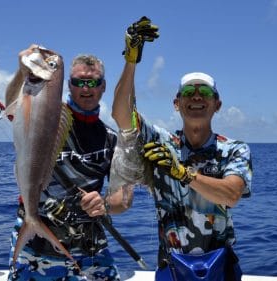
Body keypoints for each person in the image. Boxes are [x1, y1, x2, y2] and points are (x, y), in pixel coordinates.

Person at [110, 17, 253, 281]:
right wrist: (131, 60)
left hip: (221, 267)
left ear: (217, 105)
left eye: (205, 93)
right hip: (171, 267)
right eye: (188, 92)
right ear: (177, 103)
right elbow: (121, 115)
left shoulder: (234, 149)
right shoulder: (161, 141)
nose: (196, 97)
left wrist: (184, 174)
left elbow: (232, 194)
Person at [6, 44, 121, 281]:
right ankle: (31, 221)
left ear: (103, 87)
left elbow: (124, 199)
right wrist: (21, 72)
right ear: (68, 85)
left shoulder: (111, 139)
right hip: (35, 248)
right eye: (79, 82)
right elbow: (12, 108)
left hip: (90, 249)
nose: (86, 88)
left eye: (93, 82)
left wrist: (105, 203)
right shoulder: (45, 112)